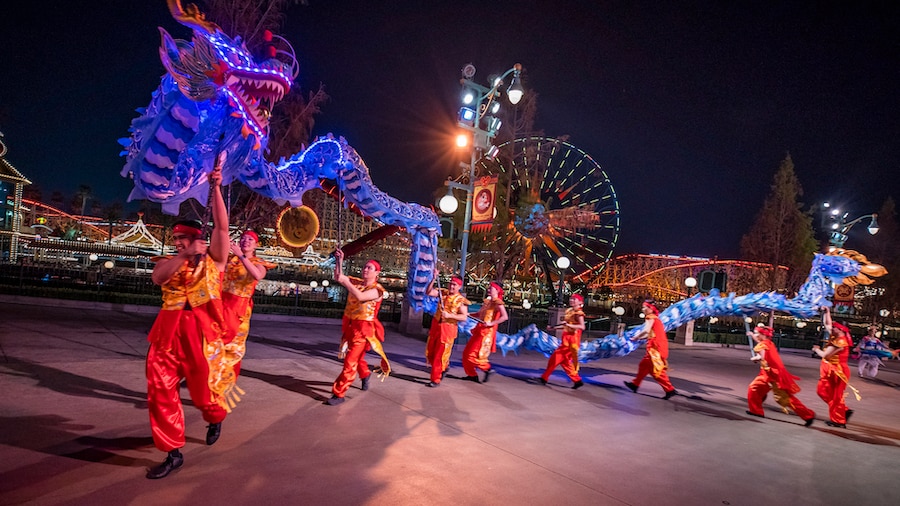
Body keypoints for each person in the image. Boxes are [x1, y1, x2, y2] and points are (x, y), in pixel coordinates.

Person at [145, 155, 234, 479]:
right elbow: (157, 278)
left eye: (185, 238)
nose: (179, 242)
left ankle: (215, 416)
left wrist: (217, 186)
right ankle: (172, 451)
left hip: (201, 336)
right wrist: (182, 255)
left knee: (203, 394)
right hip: (166, 335)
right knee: (159, 390)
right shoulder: (170, 261)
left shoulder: (215, 261)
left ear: (199, 238)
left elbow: (223, 227)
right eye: (177, 239)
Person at [325, 249, 391, 405]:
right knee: (357, 358)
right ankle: (365, 374)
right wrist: (340, 261)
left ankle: (339, 393)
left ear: (377, 273)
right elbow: (338, 277)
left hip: (364, 330)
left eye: (370, 268)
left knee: (350, 361)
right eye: (365, 267)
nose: (365, 269)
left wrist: (347, 282)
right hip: (351, 325)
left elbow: (361, 297)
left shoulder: (377, 291)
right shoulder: (358, 283)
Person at [222, 230, 276, 376]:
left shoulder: (258, 263)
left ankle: (225, 379)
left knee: (233, 345)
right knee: (213, 341)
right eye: (243, 238)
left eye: (250, 239)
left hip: (239, 308)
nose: (246, 241)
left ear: (256, 245)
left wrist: (241, 255)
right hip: (220, 305)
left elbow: (257, 275)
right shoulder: (229, 259)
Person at [745, 326, 816, 426]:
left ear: (763, 334)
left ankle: (808, 415)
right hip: (769, 374)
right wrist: (752, 336)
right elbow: (761, 345)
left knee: (785, 398)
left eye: (756, 333)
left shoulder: (763, 345)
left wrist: (754, 358)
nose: (755, 335)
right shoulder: (768, 342)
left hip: (772, 375)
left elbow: (762, 356)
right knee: (754, 389)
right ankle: (756, 411)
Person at [812, 307, 858, 428]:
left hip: (838, 372)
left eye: (835, 326)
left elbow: (825, 355)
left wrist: (816, 350)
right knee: (822, 391)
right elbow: (827, 323)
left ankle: (838, 421)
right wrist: (827, 311)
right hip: (830, 370)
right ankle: (844, 411)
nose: (832, 327)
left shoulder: (840, 342)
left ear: (841, 329)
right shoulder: (836, 335)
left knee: (836, 396)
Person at [624, 300, 678, 399]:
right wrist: (640, 338)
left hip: (655, 348)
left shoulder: (650, 317)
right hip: (658, 346)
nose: (643, 309)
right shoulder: (656, 318)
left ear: (651, 308)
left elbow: (646, 331)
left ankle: (670, 389)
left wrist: (635, 338)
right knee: (644, 365)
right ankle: (635, 384)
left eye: (645, 307)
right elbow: (651, 334)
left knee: (656, 371)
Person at [424, 272, 469, 387]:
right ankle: (444, 367)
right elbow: (429, 292)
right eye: (451, 283)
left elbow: (464, 317)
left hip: (448, 330)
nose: (451, 286)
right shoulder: (443, 293)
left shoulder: (461, 300)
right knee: (431, 352)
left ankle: (435, 379)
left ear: (459, 286)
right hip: (436, 326)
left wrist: (450, 316)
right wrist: (433, 279)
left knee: (440, 354)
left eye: (454, 284)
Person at [461, 282, 509, 383]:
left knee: (472, 355)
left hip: (485, 334)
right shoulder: (487, 302)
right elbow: (479, 314)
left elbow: (505, 317)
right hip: (479, 330)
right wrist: (469, 314)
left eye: (491, 288)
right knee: (466, 353)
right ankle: (472, 374)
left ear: (497, 290)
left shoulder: (497, 302)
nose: (488, 289)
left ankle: (487, 368)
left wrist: (492, 323)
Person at [540, 293, 586, 389]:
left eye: (574, 299)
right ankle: (577, 380)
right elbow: (566, 325)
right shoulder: (570, 311)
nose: (571, 300)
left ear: (580, 302)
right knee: (564, 362)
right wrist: (554, 328)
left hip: (572, 342)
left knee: (555, 358)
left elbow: (582, 327)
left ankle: (544, 378)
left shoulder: (579, 313)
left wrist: (569, 325)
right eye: (571, 298)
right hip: (566, 340)